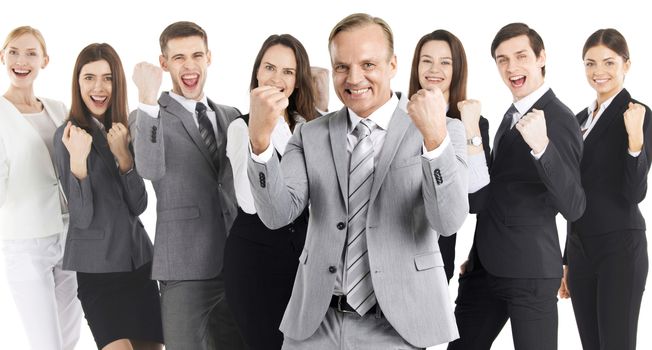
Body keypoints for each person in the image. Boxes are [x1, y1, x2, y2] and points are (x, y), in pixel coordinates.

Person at [247, 13, 469, 349]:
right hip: (314, 324)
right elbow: (277, 214)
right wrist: (260, 144)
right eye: (341, 67)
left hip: (396, 325)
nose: (354, 78)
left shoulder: (442, 128)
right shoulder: (310, 134)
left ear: (393, 64)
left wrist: (435, 140)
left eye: (368, 64)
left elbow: (449, 220)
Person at [449, 23, 585, 350]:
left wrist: (543, 148)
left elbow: (574, 205)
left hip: (530, 272)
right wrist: (477, 254)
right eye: (502, 59)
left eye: (521, 56)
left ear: (541, 58)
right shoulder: (511, 113)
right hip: (485, 269)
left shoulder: (560, 118)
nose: (511, 67)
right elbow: (499, 191)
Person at [130, 21, 244, 350]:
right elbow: (148, 168)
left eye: (196, 55)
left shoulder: (232, 116)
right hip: (184, 269)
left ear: (209, 57)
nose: (189, 65)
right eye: (178, 58)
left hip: (237, 264)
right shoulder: (147, 116)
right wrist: (147, 99)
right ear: (164, 63)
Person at [53, 43, 164, 350]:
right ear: (78, 82)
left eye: (107, 78)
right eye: (89, 77)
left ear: (118, 83)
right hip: (98, 273)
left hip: (138, 266)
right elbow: (82, 218)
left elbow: (139, 205)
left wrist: (125, 159)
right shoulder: (68, 136)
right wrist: (78, 163)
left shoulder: (122, 129)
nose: (98, 87)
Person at [223, 33, 318, 350]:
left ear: (297, 79)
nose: (277, 78)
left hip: (303, 261)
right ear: (257, 73)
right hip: (256, 262)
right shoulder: (241, 127)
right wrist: (261, 138)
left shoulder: (307, 125)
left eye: (287, 72)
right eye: (269, 68)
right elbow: (249, 203)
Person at [558, 28, 651, 350]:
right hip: (582, 251)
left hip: (620, 249)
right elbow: (573, 193)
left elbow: (636, 192)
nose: (599, 72)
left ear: (626, 64)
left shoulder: (637, 114)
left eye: (609, 63)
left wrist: (635, 140)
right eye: (590, 63)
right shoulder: (578, 119)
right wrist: (567, 260)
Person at [0, 26, 82, 350]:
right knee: (47, 342)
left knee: (69, 337)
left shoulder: (58, 109)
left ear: (44, 60)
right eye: (14, 52)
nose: (22, 60)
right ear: (2, 57)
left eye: (31, 53)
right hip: (26, 241)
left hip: (70, 235)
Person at [408, 29, 490, 282]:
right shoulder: (395, 116)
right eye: (427, 60)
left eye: (445, 62)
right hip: (385, 253)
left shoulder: (472, 123)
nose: (435, 69)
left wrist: (470, 128)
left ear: (457, 70)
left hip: (435, 258)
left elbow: (476, 201)